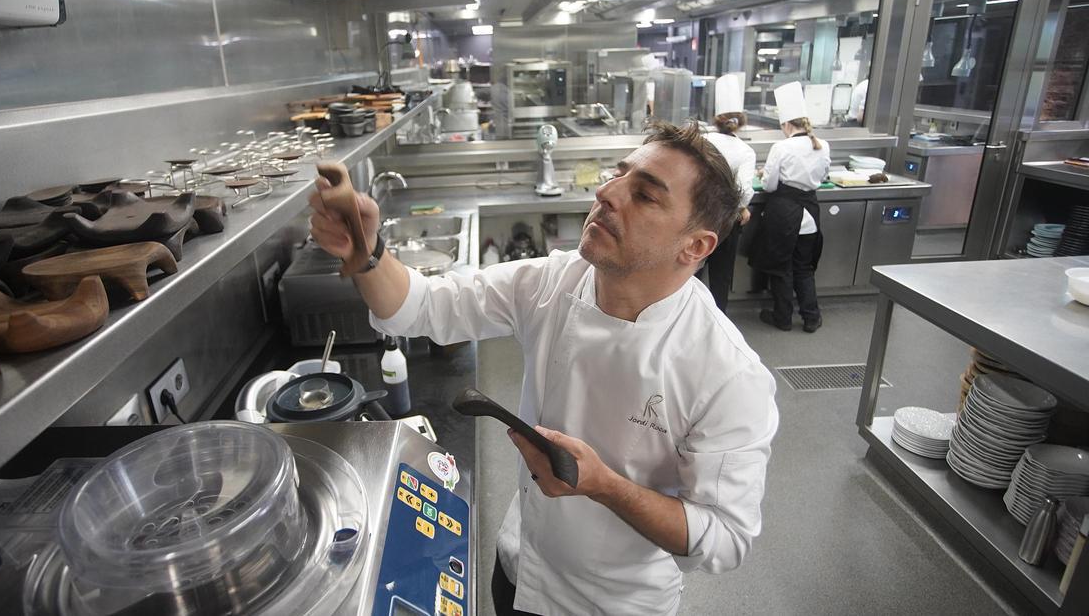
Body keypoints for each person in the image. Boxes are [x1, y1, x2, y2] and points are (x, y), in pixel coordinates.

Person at [308, 122, 778, 616]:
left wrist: (606, 486)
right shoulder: (555, 282)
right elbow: (423, 305)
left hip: (612, 604)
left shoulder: (727, 374)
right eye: (618, 175)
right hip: (519, 565)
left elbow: (724, 537)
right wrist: (367, 252)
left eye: (644, 195)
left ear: (696, 246)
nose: (607, 193)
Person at [750, 81, 830, 333]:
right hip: (810, 215)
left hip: (784, 214)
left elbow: (769, 185)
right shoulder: (823, 145)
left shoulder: (782, 147)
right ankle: (811, 317)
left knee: (781, 268)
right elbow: (822, 176)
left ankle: (783, 318)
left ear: (786, 124)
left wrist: (763, 174)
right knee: (803, 268)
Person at [699, 72, 756, 313]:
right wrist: (741, 207)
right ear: (740, 122)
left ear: (716, 120)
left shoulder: (701, 141)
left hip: (697, 215)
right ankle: (717, 318)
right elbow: (743, 189)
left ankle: (684, 318)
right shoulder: (745, 151)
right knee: (721, 276)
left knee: (690, 271)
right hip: (726, 220)